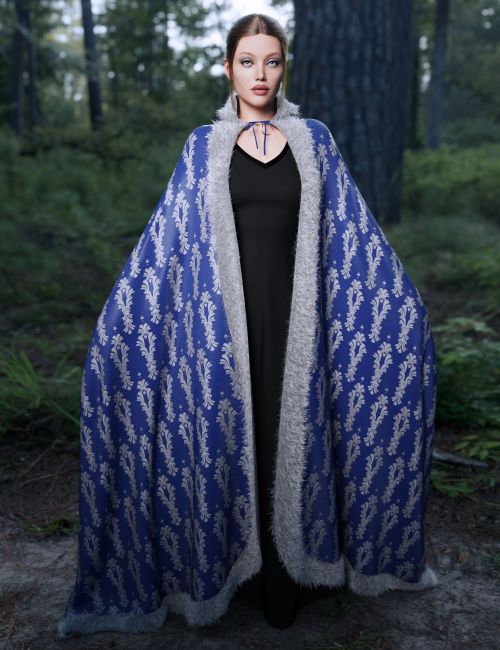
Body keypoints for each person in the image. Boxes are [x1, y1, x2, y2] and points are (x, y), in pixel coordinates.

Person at [57, 13, 439, 637]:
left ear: (284, 67)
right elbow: (170, 243)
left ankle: (288, 584)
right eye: (247, 61)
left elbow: (352, 234)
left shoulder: (315, 140)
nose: (260, 74)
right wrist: (122, 324)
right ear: (228, 67)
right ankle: (230, 574)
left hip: (299, 325)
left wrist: (403, 306)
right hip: (223, 331)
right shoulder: (202, 146)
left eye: (272, 61)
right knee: (233, 439)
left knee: (292, 440)